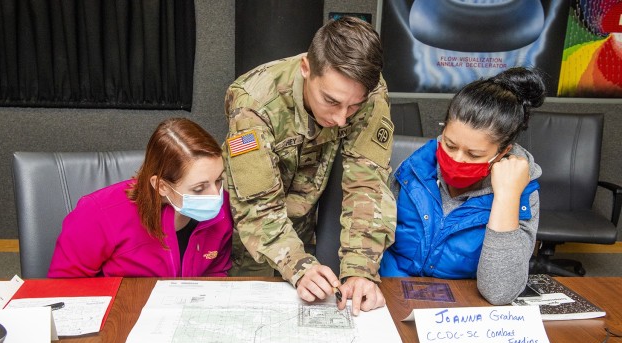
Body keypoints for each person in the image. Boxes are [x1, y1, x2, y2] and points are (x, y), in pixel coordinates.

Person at [222, 17, 396, 315]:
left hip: (307, 218)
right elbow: (257, 207)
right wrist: (298, 265)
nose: (343, 118)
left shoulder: (367, 90)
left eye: (353, 107)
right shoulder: (253, 103)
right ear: (306, 68)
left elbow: (367, 186)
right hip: (257, 233)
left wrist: (360, 269)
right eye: (331, 101)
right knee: (252, 311)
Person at [379, 67, 546, 305]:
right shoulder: (415, 168)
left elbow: (500, 292)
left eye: (474, 154)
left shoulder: (521, 194)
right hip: (392, 291)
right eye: (449, 144)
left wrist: (506, 198)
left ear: (503, 152)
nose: (457, 159)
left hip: (459, 304)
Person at [48, 118, 232, 278]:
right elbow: (64, 285)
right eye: (199, 188)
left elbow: (216, 272)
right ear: (162, 186)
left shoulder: (221, 209)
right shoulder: (99, 213)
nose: (216, 196)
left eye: (218, 180)